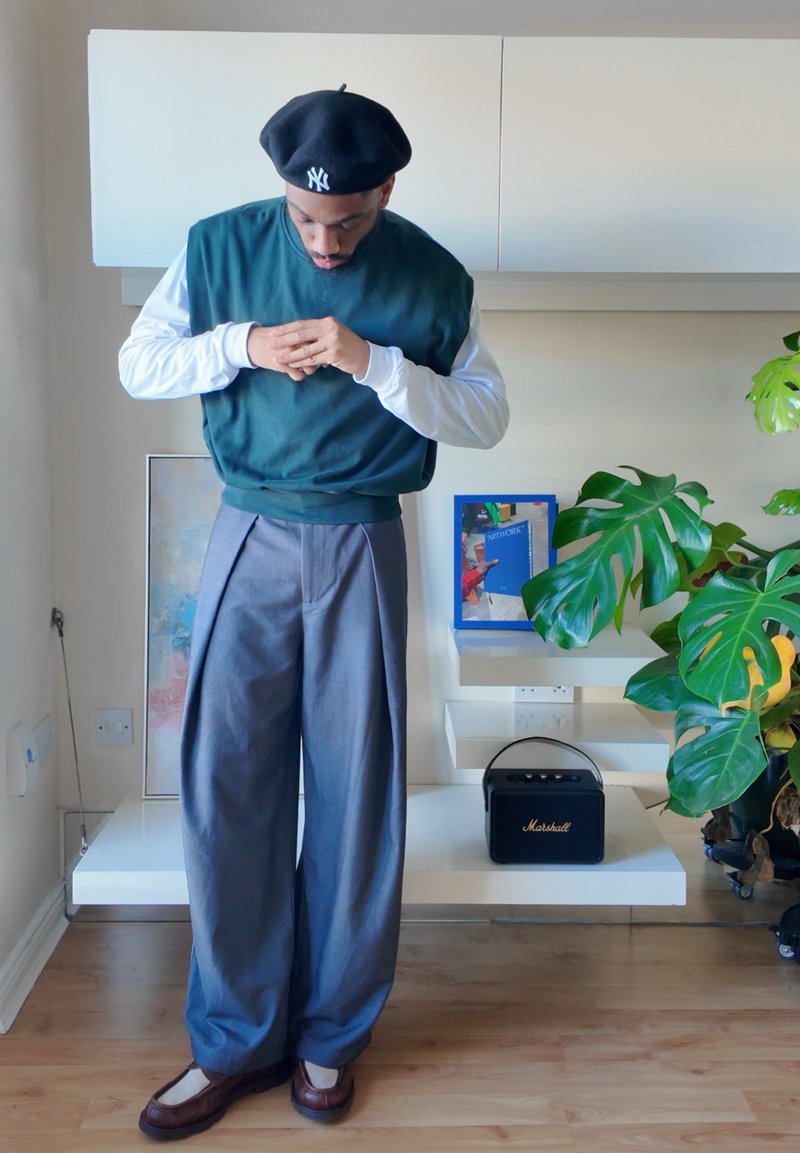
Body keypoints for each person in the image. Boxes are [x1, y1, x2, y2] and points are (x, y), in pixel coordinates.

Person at [119, 85, 508, 1140]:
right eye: (303, 218)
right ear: (280, 190)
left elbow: (484, 415)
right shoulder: (215, 248)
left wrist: (373, 363)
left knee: (355, 793)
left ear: (387, 190)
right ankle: (233, 1041)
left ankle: (330, 1034)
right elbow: (138, 363)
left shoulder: (432, 275)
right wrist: (241, 344)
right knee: (226, 785)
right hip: (246, 530)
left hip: (363, 537)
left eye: (348, 221)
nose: (325, 242)